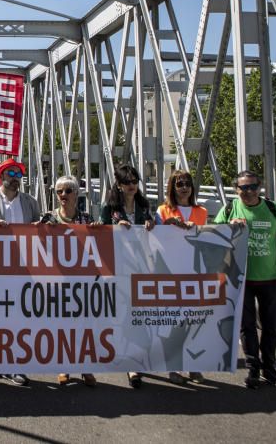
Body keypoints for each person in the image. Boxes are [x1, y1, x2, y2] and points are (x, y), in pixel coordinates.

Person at [214, 169, 276, 389]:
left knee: (271, 326)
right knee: (246, 326)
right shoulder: (230, 209)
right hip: (240, 278)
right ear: (236, 189)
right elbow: (214, 236)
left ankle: (270, 368)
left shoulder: (272, 209)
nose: (248, 192)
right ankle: (253, 369)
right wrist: (230, 228)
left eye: (252, 187)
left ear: (260, 188)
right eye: (243, 188)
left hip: (269, 277)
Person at [0, 158, 39, 387]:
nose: (15, 178)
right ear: (0, 176)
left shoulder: (30, 202)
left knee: (18, 317)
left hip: (23, 268)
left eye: (19, 174)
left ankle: (14, 363)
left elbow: (40, 231)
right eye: (10, 173)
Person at [39, 175, 96, 388]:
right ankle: (64, 367)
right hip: (57, 281)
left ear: (76, 194)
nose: (63, 195)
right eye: (59, 191)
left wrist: (100, 231)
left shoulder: (87, 220)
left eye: (68, 191)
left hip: (82, 282)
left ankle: (86, 367)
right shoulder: (48, 218)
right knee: (62, 326)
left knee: (84, 326)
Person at [99, 164, 153, 388]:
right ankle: (123, 355)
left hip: (141, 269)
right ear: (119, 185)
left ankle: (134, 362)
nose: (132, 185)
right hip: (118, 269)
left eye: (135, 181)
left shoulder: (144, 206)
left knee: (137, 315)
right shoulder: (109, 207)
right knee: (120, 315)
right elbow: (99, 234)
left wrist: (152, 224)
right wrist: (113, 227)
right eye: (127, 182)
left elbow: (156, 235)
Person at [153, 169, 208, 384]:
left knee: (195, 321)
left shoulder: (201, 211)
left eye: (187, 183)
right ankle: (174, 369)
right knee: (174, 322)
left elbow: (212, 237)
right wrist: (167, 226)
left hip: (195, 272)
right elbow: (156, 239)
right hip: (171, 272)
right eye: (179, 184)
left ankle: (195, 367)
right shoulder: (163, 210)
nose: (184, 187)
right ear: (172, 188)